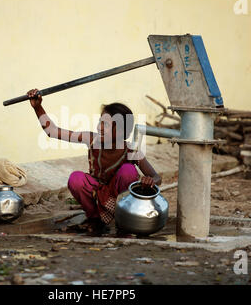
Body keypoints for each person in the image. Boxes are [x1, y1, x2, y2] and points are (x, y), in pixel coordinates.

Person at [27, 89, 162, 235]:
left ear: (121, 131)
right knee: (76, 178)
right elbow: (52, 131)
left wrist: (150, 180)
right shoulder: (92, 139)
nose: (99, 127)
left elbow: (157, 177)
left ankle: (122, 222)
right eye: (100, 122)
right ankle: (95, 220)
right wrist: (37, 107)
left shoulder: (131, 151)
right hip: (96, 194)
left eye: (106, 125)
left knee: (128, 171)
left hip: (119, 201)